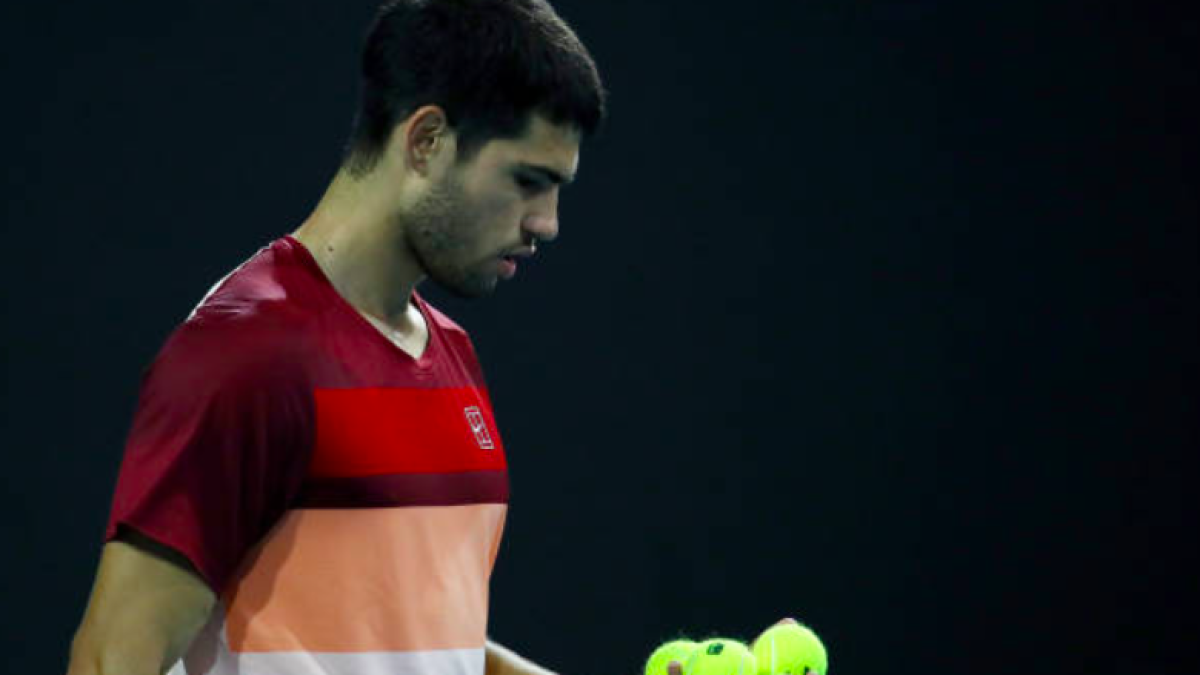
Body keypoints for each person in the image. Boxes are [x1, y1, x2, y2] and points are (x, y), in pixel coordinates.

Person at [65, 1, 605, 674]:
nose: (547, 223)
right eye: (529, 180)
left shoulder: (453, 354)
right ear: (427, 140)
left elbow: (424, 648)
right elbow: (110, 659)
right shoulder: (245, 354)